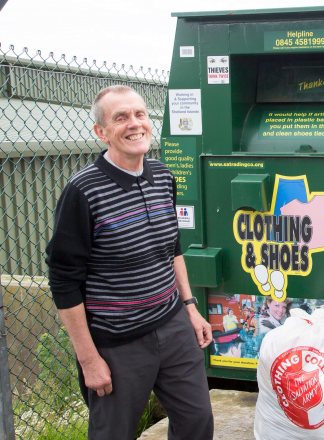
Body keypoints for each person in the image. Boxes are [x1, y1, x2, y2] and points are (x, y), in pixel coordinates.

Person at [46, 85, 214, 439]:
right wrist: (89, 359)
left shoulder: (163, 176)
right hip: (117, 343)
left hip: (172, 327)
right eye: (120, 117)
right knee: (113, 433)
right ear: (101, 132)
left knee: (197, 421)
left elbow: (173, 248)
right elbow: (63, 281)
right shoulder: (83, 192)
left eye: (139, 114)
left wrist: (190, 306)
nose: (134, 124)